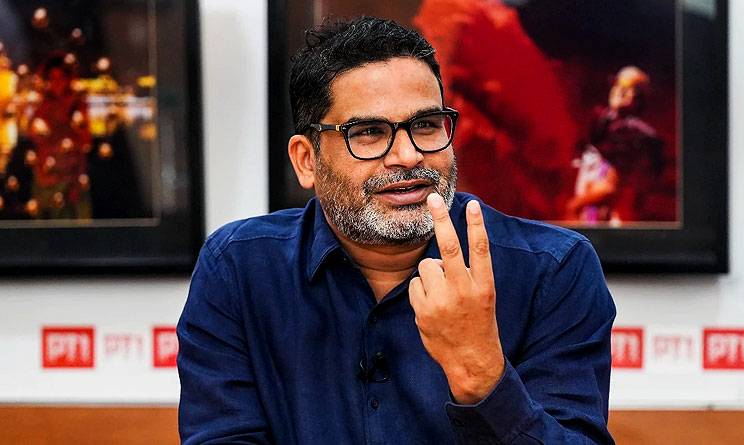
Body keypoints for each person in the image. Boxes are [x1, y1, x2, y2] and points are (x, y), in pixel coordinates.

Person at [178, 17, 616, 444]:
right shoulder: (238, 268)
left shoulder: (553, 270)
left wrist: (481, 375)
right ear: (307, 160)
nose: (408, 156)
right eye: (368, 132)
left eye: (425, 125)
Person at [566, 66, 666, 224]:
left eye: (630, 88)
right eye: (618, 85)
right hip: (592, 197)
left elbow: (613, 187)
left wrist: (576, 205)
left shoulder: (640, 133)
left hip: (612, 204)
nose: (621, 91)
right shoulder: (601, 118)